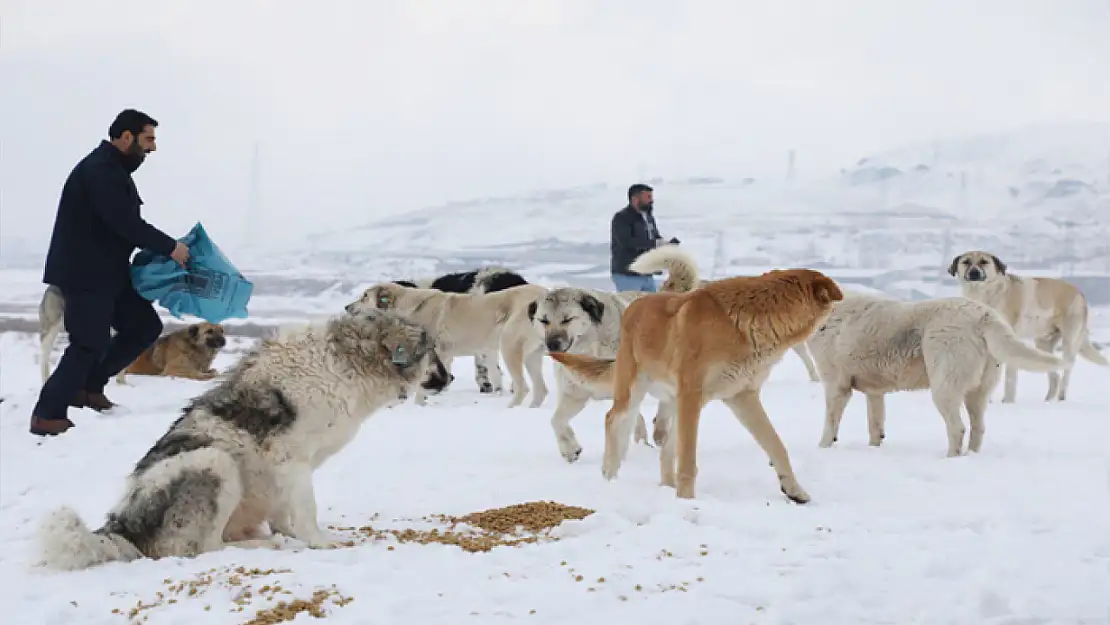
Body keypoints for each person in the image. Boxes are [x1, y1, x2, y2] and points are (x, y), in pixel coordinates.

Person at [29, 109, 190, 436]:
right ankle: (47, 414)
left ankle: (88, 386)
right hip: (86, 273)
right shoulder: (100, 171)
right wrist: (170, 248)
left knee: (143, 325)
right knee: (88, 342)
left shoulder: (113, 170)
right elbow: (125, 223)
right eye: (148, 139)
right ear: (126, 137)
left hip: (110, 273)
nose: (152, 148)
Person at [609, 183, 679, 292]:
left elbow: (654, 237)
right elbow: (626, 242)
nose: (652, 200)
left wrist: (665, 244)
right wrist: (655, 243)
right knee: (632, 306)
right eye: (648, 197)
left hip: (647, 273)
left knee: (652, 307)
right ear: (635, 199)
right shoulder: (621, 218)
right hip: (628, 275)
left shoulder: (648, 217)